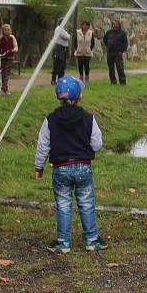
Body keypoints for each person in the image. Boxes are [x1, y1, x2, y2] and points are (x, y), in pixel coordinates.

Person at [34, 75, 107, 253]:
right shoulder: (88, 118)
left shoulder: (50, 120)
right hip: (83, 166)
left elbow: (43, 145)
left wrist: (39, 166)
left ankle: (63, 242)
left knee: (63, 204)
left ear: (57, 97)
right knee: (86, 202)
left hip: (60, 168)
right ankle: (92, 240)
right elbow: (97, 144)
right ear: (80, 96)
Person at [0, 23, 18, 95]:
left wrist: (14, 50)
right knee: (3, 72)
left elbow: (16, 47)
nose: (7, 31)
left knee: (6, 73)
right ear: (2, 31)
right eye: (5, 30)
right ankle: (5, 89)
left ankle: (3, 89)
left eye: (8, 30)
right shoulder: (0, 38)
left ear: (10, 30)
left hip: (10, 57)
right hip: (2, 57)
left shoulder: (12, 38)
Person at [103, 18, 127, 85]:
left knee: (120, 68)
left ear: (119, 25)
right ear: (112, 25)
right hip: (110, 52)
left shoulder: (122, 33)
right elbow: (105, 39)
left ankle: (122, 82)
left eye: (117, 24)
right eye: (114, 24)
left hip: (118, 53)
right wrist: (108, 45)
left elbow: (125, 43)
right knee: (111, 68)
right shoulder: (109, 32)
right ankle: (113, 82)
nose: (115, 25)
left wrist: (121, 51)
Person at [50, 18, 71, 85]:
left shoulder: (63, 29)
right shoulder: (58, 29)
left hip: (63, 49)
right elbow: (66, 37)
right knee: (57, 65)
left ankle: (60, 80)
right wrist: (68, 35)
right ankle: (53, 80)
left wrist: (68, 35)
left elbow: (67, 36)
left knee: (62, 66)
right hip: (58, 49)